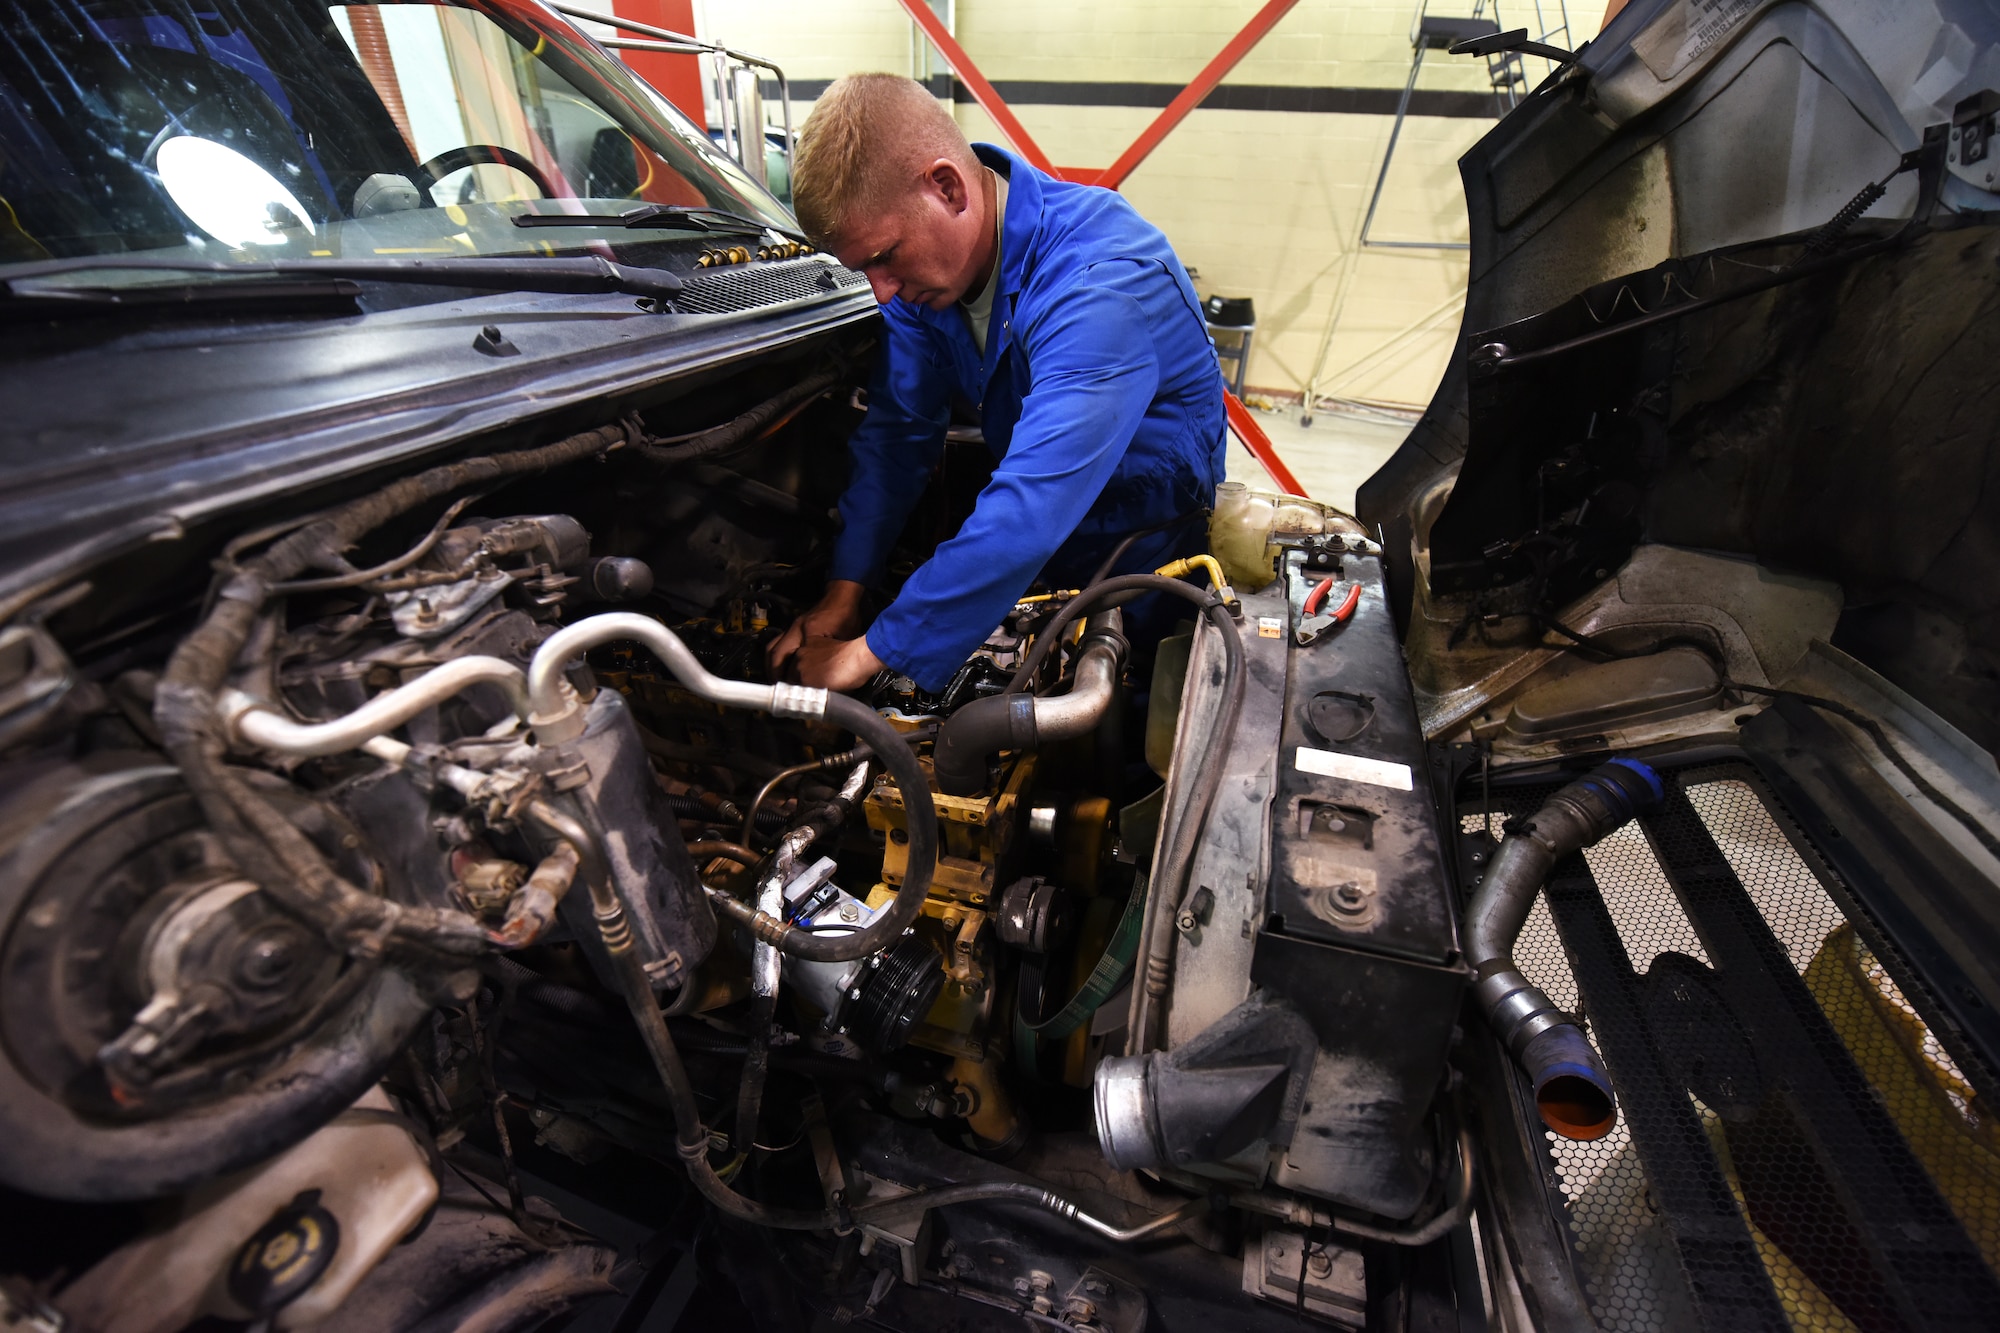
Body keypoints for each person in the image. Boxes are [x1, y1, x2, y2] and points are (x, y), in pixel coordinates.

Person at [767, 73, 1226, 693]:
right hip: (1040, 560)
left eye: (884, 256)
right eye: (863, 269)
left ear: (948, 188)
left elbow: (1030, 505)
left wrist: (868, 652)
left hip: (1145, 564)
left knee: (1133, 732)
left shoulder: (1103, 284)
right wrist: (843, 594)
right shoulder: (925, 287)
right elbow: (899, 437)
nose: (881, 290)